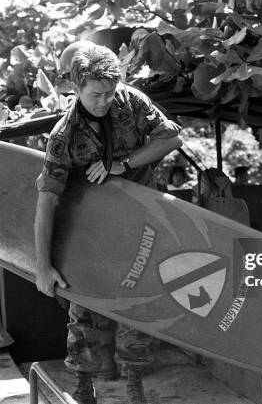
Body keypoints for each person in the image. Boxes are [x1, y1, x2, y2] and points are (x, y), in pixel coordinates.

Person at [34, 41, 182, 404]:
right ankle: (85, 391)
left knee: (138, 306)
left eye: (109, 93)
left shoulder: (130, 101)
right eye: (95, 95)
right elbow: (47, 201)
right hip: (91, 232)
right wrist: (42, 266)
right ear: (76, 88)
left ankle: (135, 388)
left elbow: (171, 136)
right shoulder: (63, 136)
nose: (104, 101)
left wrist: (125, 163)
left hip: (139, 224)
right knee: (84, 314)